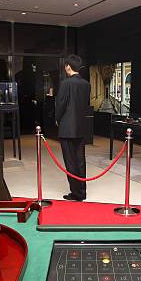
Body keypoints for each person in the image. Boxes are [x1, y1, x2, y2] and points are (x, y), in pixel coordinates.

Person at [55, 54, 91, 201]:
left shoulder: (65, 83)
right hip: (81, 127)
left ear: (68, 66)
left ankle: (75, 193)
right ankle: (82, 192)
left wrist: (57, 119)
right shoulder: (86, 84)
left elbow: (60, 105)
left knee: (70, 162)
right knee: (80, 161)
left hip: (67, 128)